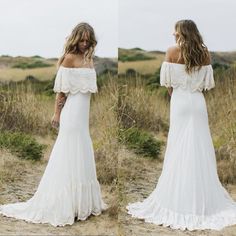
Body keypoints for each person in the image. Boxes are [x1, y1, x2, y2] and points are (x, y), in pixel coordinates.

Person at [126, 19, 236, 231]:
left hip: (179, 103)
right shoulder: (204, 53)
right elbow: (205, 86)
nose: (173, 35)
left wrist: (178, 95)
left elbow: (168, 86)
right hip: (197, 103)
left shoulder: (171, 52)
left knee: (178, 148)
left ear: (182, 33)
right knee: (200, 148)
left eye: (176, 32)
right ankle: (202, 197)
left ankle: (178, 196)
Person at [0, 22, 108, 227]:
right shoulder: (68, 59)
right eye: (82, 39)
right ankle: (64, 203)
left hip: (82, 116)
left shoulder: (89, 58)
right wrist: (57, 115)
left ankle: (80, 204)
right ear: (76, 38)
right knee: (68, 154)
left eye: (88, 40)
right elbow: (61, 92)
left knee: (82, 153)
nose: (85, 43)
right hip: (71, 115)